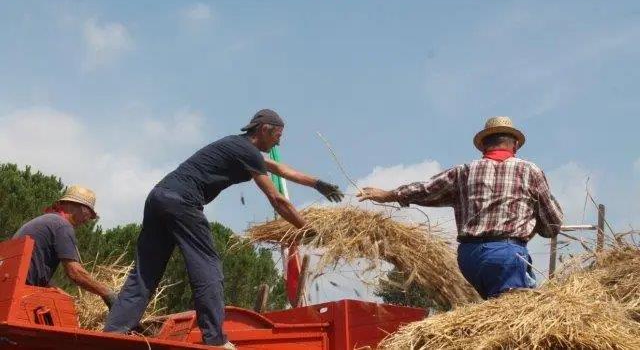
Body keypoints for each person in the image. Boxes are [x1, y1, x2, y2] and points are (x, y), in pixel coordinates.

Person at [104, 109, 344, 348]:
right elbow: (277, 199)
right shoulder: (247, 151)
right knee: (207, 266)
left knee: (145, 271)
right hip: (183, 202)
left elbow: (280, 169)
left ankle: (114, 331)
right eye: (278, 135)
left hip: (158, 196)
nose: (279, 142)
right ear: (264, 130)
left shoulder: (239, 146)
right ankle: (215, 339)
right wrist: (307, 229)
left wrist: (317, 184)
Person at [358, 116, 563, 300]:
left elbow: (426, 189)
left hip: (470, 258)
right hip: (506, 254)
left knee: (494, 305)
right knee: (518, 312)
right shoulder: (529, 170)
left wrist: (388, 195)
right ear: (515, 145)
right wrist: (535, 224)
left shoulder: (463, 172)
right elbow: (553, 223)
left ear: (483, 147)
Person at [14, 185, 117, 308]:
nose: (87, 220)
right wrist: (107, 293)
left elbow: (33, 268)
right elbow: (75, 272)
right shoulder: (62, 225)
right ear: (79, 207)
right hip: (22, 294)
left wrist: (56, 290)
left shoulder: (47, 221)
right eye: (89, 213)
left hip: (11, 286)